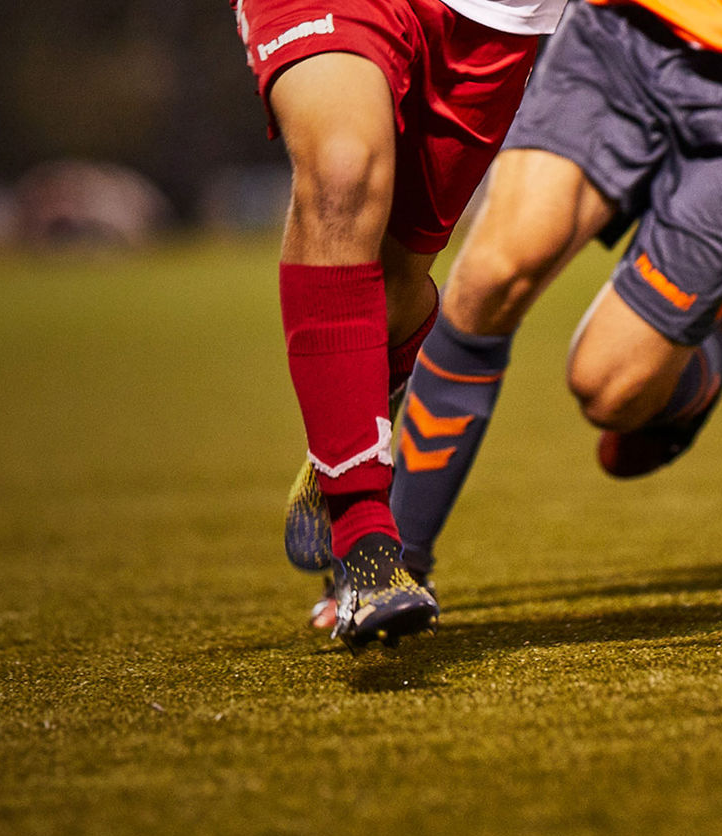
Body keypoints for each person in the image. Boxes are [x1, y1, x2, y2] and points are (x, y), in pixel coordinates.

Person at [287, 0, 722, 632]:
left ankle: (709, 353)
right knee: (490, 276)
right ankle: (393, 564)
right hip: (618, 35)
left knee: (609, 386)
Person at [231, 0, 569, 650]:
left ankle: (357, 410)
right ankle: (365, 544)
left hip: (492, 16)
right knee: (341, 171)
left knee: (395, 286)